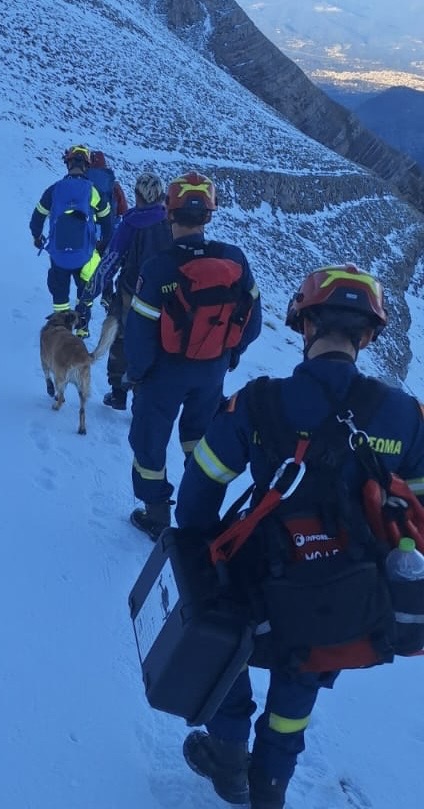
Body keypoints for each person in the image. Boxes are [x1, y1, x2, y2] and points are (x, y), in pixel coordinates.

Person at [175, 264, 424, 809]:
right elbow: (416, 508)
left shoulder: (258, 402)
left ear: (305, 325)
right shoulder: (405, 415)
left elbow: (201, 488)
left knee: (227, 654)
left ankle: (228, 756)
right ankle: (270, 785)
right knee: (302, 676)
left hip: (261, 577)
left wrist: (197, 556)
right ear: (368, 334)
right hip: (346, 589)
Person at [124, 172, 262, 538]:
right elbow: (253, 320)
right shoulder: (235, 260)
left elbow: (138, 331)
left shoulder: (158, 268)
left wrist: (137, 373)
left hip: (164, 374)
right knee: (200, 442)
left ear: (170, 213)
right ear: (209, 216)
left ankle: (156, 514)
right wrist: (229, 356)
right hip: (212, 371)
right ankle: (199, 511)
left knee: (149, 440)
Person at [76, 172, 172, 410]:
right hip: (165, 296)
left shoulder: (131, 224)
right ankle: (142, 397)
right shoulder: (171, 222)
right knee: (152, 343)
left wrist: (90, 293)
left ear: (138, 195)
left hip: (131, 293)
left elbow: (110, 261)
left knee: (120, 338)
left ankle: (118, 392)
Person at [30, 145, 113, 337]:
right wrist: (103, 242)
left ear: (68, 164)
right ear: (87, 166)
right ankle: (82, 328)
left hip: (59, 254)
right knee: (85, 293)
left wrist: (37, 236)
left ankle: (61, 330)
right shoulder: (92, 191)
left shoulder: (54, 190)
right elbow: (106, 220)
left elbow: (37, 217)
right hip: (85, 253)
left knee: (60, 295)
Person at [86, 150, 129, 226]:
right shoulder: (113, 185)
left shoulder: (84, 183)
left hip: (89, 226)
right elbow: (124, 210)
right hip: (110, 226)